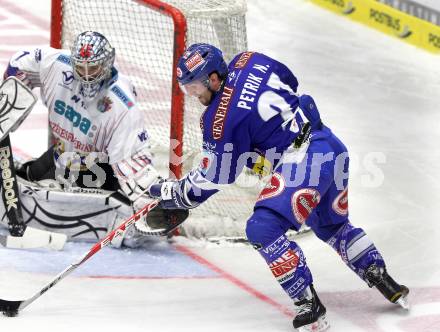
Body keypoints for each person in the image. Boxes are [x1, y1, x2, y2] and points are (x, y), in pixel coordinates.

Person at [149, 43, 409, 331]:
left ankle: (309, 306)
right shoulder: (250, 60)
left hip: (304, 162)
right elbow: (291, 83)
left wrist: (176, 195)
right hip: (330, 147)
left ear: (213, 78)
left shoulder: (218, 120)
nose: (192, 94)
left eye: (195, 86)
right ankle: (381, 276)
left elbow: (219, 175)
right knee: (331, 226)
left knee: (261, 228)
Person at [1, 31, 179, 247]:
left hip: (97, 169)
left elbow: (133, 164)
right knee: (25, 178)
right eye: (80, 68)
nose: (86, 76)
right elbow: (21, 63)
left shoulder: (122, 106)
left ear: (106, 64)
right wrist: (7, 101)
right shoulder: (57, 65)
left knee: (42, 194)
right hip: (61, 156)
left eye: (92, 68)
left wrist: (154, 198)